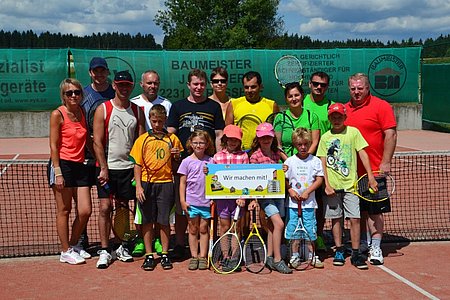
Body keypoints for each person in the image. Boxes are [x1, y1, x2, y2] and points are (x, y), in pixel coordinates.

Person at [167, 68, 225, 259]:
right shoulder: (178, 106)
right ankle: (181, 244)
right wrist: (172, 150)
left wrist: (216, 160)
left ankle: (208, 245)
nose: (199, 87)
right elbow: (170, 133)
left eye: (202, 84)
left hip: (208, 166)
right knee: (184, 205)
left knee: (207, 205)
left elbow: (218, 135)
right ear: (188, 85)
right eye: (195, 84)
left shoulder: (213, 107)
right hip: (184, 165)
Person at [93, 70, 146, 269]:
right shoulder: (103, 109)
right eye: (120, 84)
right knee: (105, 207)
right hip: (107, 169)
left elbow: (140, 142)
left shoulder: (137, 110)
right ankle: (105, 250)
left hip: (127, 169)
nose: (123, 88)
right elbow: (97, 142)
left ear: (131, 86)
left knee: (123, 209)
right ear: (113, 85)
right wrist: (104, 168)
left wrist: (136, 169)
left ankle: (122, 246)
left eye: (127, 85)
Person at [344, 73, 397, 265]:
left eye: (360, 88)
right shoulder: (345, 109)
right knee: (359, 212)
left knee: (375, 212)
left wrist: (386, 161)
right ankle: (364, 243)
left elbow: (390, 134)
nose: (356, 92)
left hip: (374, 170)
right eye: (353, 88)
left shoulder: (381, 106)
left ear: (368, 88)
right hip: (350, 174)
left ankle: (376, 247)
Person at [316, 103, 377, 269]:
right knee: (336, 219)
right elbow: (322, 161)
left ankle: (356, 253)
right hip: (332, 188)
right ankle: (340, 250)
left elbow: (363, 153)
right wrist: (326, 185)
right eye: (333, 116)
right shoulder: (325, 137)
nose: (336, 119)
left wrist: (371, 177)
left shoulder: (353, 133)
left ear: (345, 117)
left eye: (339, 116)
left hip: (351, 187)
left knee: (355, 219)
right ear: (329, 118)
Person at [130, 104, 182, 271]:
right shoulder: (142, 139)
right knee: (147, 221)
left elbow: (176, 166)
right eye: (154, 121)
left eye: (160, 121)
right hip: (146, 184)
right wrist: (138, 187)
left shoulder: (172, 139)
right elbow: (137, 165)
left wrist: (176, 157)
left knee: (164, 221)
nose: (157, 125)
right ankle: (149, 255)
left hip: (166, 183)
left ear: (165, 120)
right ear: (150, 121)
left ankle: (165, 254)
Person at [48, 78, 92, 264]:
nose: (73, 95)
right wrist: (57, 171)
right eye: (69, 93)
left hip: (80, 165)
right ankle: (65, 250)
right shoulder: (57, 114)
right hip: (62, 165)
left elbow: (87, 139)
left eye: (76, 92)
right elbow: (53, 144)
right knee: (64, 210)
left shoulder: (82, 111)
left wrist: (99, 157)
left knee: (85, 211)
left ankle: (73, 245)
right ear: (63, 96)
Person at [131, 69, 171, 256]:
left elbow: (171, 137)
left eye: (155, 83)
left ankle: (159, 245)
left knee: (162, 216)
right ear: (142, 84)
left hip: (163, 174)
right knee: (143, 212)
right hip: (142, 167)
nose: (152, 86)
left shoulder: (166, 104)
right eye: (149, 83)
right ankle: (142, 241)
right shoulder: (134, 104)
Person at [78, 57, 115, 251]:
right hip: (85, 156)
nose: (99, 74)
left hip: (110, 156)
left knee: (107, 204)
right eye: (96, 71)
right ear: (90, 73)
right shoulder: (81, 94)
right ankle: (82, 237)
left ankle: (111, 240)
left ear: (107, 72)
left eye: (103, 71)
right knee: (83, 205)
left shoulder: (114, 91)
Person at [247, 123, 292, 274]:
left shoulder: (276, 154)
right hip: (265, 197)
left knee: (273, 227)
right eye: (263, 137)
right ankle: (279, 260)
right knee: (279, 224)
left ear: (273, 138)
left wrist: (284, 165)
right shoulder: (254, 157)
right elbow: (253, 179)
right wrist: (253, 199)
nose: (266, 140)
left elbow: (289, 163)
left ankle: (269, 257)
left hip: (278, 194)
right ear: (258, 139)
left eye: (269, 137)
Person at [302, 72, 334, 252]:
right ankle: (298, 238)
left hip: (322, 161)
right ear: (309, 84)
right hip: (301, 161)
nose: (318, 87)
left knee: (320, 202)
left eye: (322, 85)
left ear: (327, 86)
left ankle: (318, 235)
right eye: (315, 84)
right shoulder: (301, 102)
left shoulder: (330, 106)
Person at [284, 128, 324, 269]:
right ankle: (294, 255)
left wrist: (307, 191)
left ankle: (312, 255)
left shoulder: (315, 161)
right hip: (293, 204)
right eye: (300, 144)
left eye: (306, 144)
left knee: (310, 229)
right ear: (295, 144)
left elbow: (319, 180)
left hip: (309, 204)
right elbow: (284, 180)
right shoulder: (289, 161)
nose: (303, 147)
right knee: (294, 228)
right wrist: (290, 190)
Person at [211, 124, 248, 272]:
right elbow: (212, 177)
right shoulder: (217, 156)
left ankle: (235, 258)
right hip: (222, 199)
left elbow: (246, 178)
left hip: (238, 200)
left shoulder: (244, 156)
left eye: (236, 140)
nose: (232, 142)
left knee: (236, 228)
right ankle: (225, 256)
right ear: (225, 139)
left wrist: (242, 197)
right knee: (225, 227)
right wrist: (207, 170)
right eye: (230, 139)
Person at [178, 130, 215, 271]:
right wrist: (182, 200)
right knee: (193, 229)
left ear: (207, 144)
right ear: (190, 144)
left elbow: (215, 181)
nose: (198, 145)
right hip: (191, 201)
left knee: (204, 229)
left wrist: (212, 198)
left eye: (201, 143)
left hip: (206, 202)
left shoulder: (211, 161)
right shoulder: (186, 162)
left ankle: (203, 256)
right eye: (195, 142)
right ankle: (194, 256)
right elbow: (183, 183)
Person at [225, 71, 280, 151]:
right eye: (246, 87)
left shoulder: (272, 105)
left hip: (263, 154)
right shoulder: (234, 104)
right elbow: (227, 132)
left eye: (253, 87)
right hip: (239, 153)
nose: (249, 90)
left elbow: (276, 133)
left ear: (261, 87)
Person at [274, 82, 320, 161]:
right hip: (285, 164)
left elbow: (314, 143)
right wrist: (290, 162)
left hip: (307, 163)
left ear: (302, 96)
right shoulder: (280, 118)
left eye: (296, 95)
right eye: (290, 96)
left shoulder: (312, 116)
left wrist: (303, 160)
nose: (294, 99)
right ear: (286, 99)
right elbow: (278, 145)